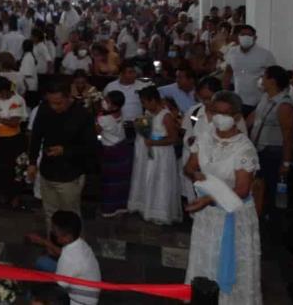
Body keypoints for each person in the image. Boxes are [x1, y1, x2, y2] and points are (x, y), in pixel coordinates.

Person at [184, 91, 261, 304]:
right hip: (208, 214)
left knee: (228, 264)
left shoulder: (244, 149)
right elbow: (190, 167)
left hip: (233, 214)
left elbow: (243, 190)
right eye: (215, 112)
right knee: (205, 259)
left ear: (237, 117)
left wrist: (210, 198)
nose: (219, 117)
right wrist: (196, 175)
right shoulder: (204, 137)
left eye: (225, 113)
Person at [28, 78, 97, 233]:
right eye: (51, 102)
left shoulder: (82, 114)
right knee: (50, 213)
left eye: (58, 103)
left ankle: (73, 251)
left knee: (70, 216)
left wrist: (65, 150)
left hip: (70, 175)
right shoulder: (44, 109)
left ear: (68, 97)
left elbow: (91, 146)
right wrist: (32, 162)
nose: (54, 107)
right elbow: (36, 136)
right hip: (47, 171)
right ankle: (53, 245)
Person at [248, 65, 293, 218]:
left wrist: (286, 162)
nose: (261, 80)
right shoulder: (265, 98)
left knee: (271, 192)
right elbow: (252, 118)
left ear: (272, 81)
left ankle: (273, 227)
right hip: (259, 152)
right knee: (258, 190)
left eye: (264, 76)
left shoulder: (284, 105)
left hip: (274, 154)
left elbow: (288, 136)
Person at [127, 86, 182, 225]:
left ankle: (160, 211)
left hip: (161, 156)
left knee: (159, 181)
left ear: (153, 100)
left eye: (145, 102)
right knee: (146, 178)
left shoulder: (166, 116)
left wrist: (154, 141)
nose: (143, 105)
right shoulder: (147, 113)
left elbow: (173, 138)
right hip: (147, 155)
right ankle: (145, 206)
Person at [27, 211, 101, 305]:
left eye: (55, 232)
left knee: (35, 294)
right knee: (42, 262)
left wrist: (37, 296)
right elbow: (64, 254)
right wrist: (43, 242)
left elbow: (58, 287)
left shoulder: (69, 258)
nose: (52, 233)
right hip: (85, 289)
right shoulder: (79, 243)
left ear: (67, 237)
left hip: (77, 301)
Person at [0, 76, 28, 209]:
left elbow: (14, 122)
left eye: (0, 93)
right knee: (0, 169)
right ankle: (4, 195)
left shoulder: (17, 100)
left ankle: (16, 199)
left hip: (13, 141)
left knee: (15, 170)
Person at [223, 25, 276, 117]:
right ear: (238, 37)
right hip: (237, 99)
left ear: (255, 38)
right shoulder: (232, 52)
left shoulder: (265, 54)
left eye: (249, 35)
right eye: (243, 34)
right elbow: (228, 72)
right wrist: (224, 93)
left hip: (258, 101)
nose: (245, 37)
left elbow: (273, 77)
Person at [96, 90, 132, 217]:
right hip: (122, 148)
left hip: (111, 152)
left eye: (107, 101)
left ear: (115, 106)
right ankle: (121, 206)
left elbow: (96, 130)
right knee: (121, 181)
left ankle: (109, 209)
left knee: (109, 182)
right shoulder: (119, 112)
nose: (104, 102)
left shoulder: (104, 119)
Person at [20, 39, 39, 107]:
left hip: (29, 86)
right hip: (30, 86)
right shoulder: (28, 56)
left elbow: (28, 73)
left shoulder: (28, 58)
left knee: (29, 106)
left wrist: (19, 76)